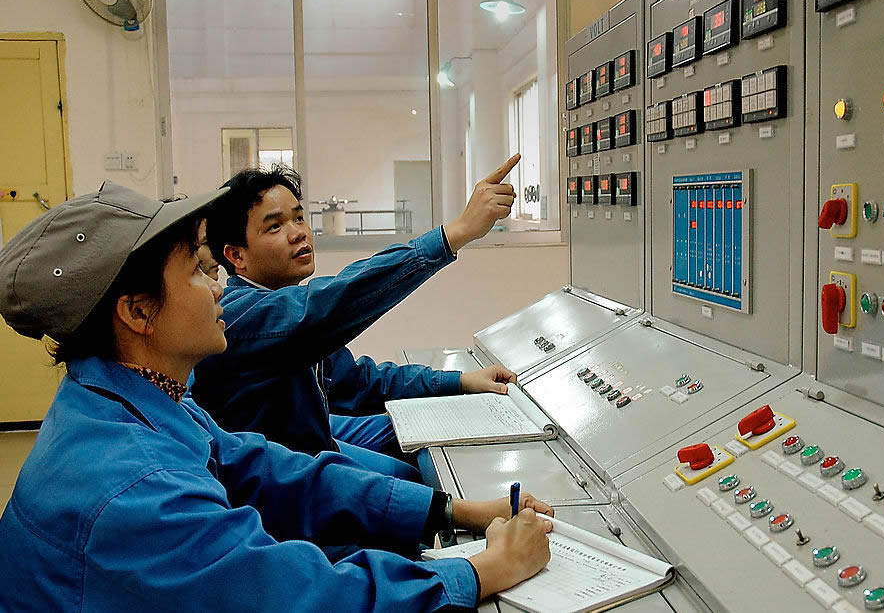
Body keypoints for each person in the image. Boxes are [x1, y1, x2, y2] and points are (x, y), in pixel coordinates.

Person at [0, 182, 552, 611]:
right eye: (197, 271)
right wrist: (481, 571)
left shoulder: (142, 400)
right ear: (139, 312)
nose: (217, 287)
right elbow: (298, 597)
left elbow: (272, 470)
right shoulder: (139, 488)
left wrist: (450, 510)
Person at [191, 157, 521, 467]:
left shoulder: (285, 313)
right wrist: (456, 232)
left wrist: (459, 381)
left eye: (299, 218)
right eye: (275, 226)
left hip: (313, 451)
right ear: (236, 256)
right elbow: (339, 298)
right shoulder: (240, 315)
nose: (298, 233)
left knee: (424, 435)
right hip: (287, 479)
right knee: (416, 481)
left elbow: (358, 381)